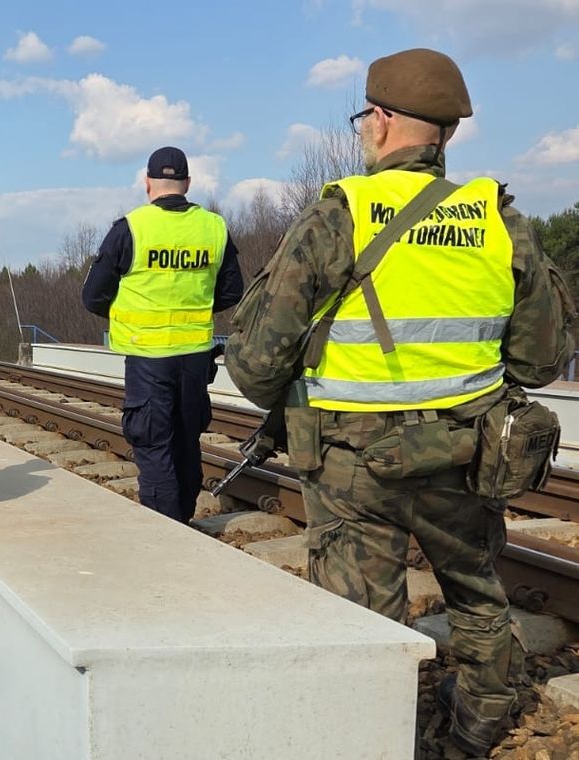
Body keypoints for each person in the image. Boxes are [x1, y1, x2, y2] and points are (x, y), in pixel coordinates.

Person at [224, 48, 575, 756]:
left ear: (382, 122)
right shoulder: (497, 219)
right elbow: (541, 359)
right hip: (468, 454)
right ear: (446, 134)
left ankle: (366, 731)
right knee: (475, 588)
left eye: (364, 117)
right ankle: (481, 719)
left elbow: (257, 363)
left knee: (358, 611)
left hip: (357, 466)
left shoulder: (338, 216)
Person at [82, 146, 244, 523]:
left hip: (147, 358)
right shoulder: (214, 227)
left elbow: (93, 296)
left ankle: (167, 533)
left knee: (154, 447)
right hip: (195, 358)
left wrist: (130, 312)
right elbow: (233, 291)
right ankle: (184, 519)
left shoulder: (131, 228)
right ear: (187, 183)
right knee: (187, 443)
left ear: (148, 183)